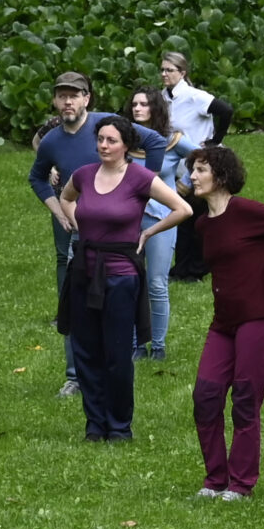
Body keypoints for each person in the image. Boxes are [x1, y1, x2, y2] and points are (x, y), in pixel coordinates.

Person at [143, 143, 264, 499]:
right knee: (206, 396)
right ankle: (215, 479)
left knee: (246, 400)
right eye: (193, 170)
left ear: (220, 176)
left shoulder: (246, 211)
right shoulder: (203, 225)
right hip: (224, 323)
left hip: (259, 318)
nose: (193, 177)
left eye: (201, 170)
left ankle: (242, 484)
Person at [50, 116, 187, 441]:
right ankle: (95, 426)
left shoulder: (139, 178)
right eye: (100, 139)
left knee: (116, 354)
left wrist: (149, 232)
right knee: (85, 351)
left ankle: (119, 427)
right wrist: (78, 226)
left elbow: (182, 208)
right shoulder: (83, 175)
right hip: (85, 269)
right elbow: (66, 198)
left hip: (121, 275)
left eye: (111, 140)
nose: (103, 145)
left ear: (126, 145)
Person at [30, 71, 117, 398]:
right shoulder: (52, 139)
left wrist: (139, 191)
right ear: (55, 100)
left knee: (111, 297)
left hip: (111, 228)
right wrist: (58, 211)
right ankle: (74, 376)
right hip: (74, 225)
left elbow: (151, 143)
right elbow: (37, 178)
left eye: (74, 95)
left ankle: (111, 369)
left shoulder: (107, 128)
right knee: (73, 299)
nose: (68, 101)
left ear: (87, 99)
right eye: (62, 95)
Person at [126, 87, 178, 361]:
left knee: (157, 283)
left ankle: (158, 346)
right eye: (134, 104)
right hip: (129, 218)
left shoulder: (172, 140)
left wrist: (183, 187)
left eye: (144, 104)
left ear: (155, 108)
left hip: (163, 218)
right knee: (131, 281)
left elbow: (204, 159)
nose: (137, 109)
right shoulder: (121, 141)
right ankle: (137, 344)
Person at [160, 53, 218, 283]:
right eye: (162, 70)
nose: (164, 74)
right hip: (179, 165)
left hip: (200, 164)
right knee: (183, 221)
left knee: (200, 219)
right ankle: (182, 267)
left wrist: (214, 142)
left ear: (182, 73)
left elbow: (225, 110)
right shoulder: (164, 98)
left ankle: (198, 268)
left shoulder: (196, 97)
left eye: (169, 70)